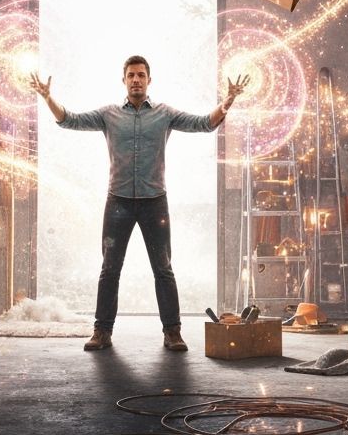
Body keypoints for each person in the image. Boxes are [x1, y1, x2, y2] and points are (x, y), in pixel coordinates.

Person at [30, 55, 249, 352]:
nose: (136, 80)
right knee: (110, 269)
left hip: (154, 202)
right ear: (123, 80)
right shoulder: (109, 114)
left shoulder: (164, 113)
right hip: (117, 202)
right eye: (131, 75)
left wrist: (228, 101)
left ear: (149, 80)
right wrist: (47, 97)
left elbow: (203, 124)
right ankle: (102, 332)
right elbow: (70, 120)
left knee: (164, 269)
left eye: (141, 75)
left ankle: (172, 332)